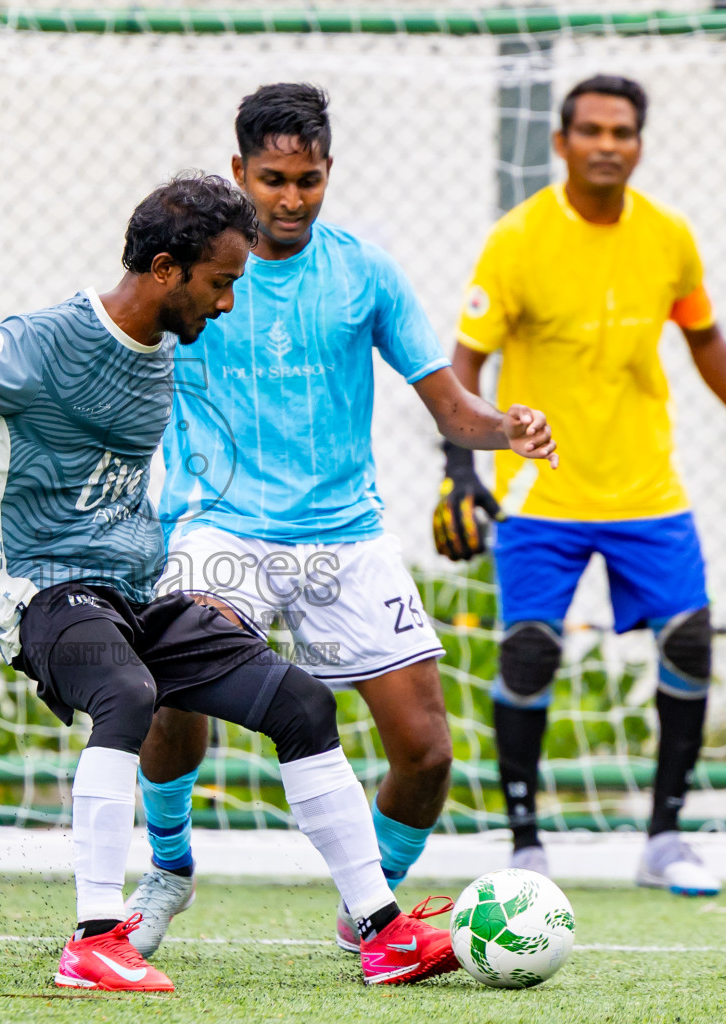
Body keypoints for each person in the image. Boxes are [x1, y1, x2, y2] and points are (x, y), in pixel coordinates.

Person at [0, 173, 461, 990]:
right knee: (129, 695)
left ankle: (379, 932)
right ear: (166, 270)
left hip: (134, 598)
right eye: (222, 284)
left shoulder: (166, 352)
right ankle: (95, 936)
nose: (231, 304)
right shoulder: (49, 340)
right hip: (47, 594)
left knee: (302, 703)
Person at [120, 83, 557, 959]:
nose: (290, 198)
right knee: (173, 690)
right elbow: (115, 363)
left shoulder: (366, 271)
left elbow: (450, 407)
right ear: (241, 171)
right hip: (219, 527)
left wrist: (505, 428)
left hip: (346, 536)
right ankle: (167, 868)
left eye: (308, 179)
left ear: (328, 173)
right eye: (273, 179)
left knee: (428, 753)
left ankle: (371, 909)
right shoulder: (194, 273)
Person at [438, 74, 726, 896]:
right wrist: (460, 463)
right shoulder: (519, 237)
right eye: (593, 130)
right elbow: (464, 359)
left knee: (688, 640)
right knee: (531, 652)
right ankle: (526, 842)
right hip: (543, 491)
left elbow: (705, 338)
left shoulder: (668, 236)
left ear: (639, 143)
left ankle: (665, 839)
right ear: (562, 142)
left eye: (624, 131)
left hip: (648, 488)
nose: (609, 144)